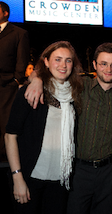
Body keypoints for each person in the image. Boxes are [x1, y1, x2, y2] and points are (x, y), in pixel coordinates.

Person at [25, 42, 112, 214]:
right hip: (79, 170)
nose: (108, 69)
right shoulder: (79, 86)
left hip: (109, 171)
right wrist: (36, 80)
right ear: (94, 65)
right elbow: (50, 73)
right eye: (103, 64)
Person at [5, 41, 83, 214]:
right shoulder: (31, 92)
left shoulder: (75, 95)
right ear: (46, 62)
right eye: (58, 59)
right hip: (29, 178)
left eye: (68, 60)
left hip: (60, 181)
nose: (63, 65)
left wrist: (36, 78)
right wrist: (17, 177)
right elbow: (10, 135)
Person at [0, 1, 30, 161]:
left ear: (5, 13)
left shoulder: (18, 33)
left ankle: (6, 158)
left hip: (6, 84)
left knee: (5, 121)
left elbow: (22, 59)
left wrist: (16, 79)